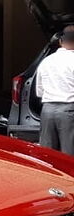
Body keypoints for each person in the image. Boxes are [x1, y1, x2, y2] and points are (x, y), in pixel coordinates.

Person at [36, 24, 74, 155]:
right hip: (69, 111)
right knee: (69, 154)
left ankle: (49, 176)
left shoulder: (46, 61)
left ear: (60, 41)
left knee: (47, 153)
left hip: (47, 110)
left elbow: (39, 90)